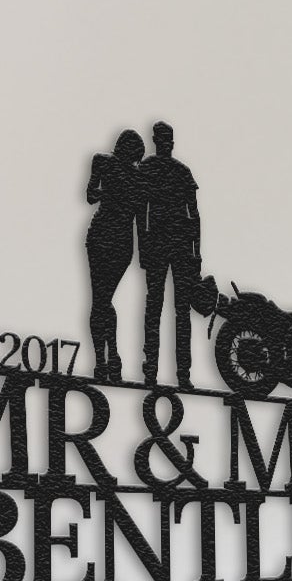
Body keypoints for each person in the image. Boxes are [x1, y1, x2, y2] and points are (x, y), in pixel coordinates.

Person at [138, 121, 201, 387]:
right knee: (167, 309)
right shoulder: (168, 170)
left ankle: (171, 372)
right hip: (170, 244)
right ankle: (160, 371)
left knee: (166, 308)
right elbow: (143, 211)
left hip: (171, 244)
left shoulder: (153, 168)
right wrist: (196, 252)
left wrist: (197, 253)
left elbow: (194, 215)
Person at [84, 130, 145, 382]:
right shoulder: (104, 162)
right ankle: (108, 359)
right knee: (102, 300)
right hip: (107, 237)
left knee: (101, 300)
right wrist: (110, 196)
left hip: (115, 240)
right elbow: (90, 194)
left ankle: (105, 360)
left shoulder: (134, 174)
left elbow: (142, 218)